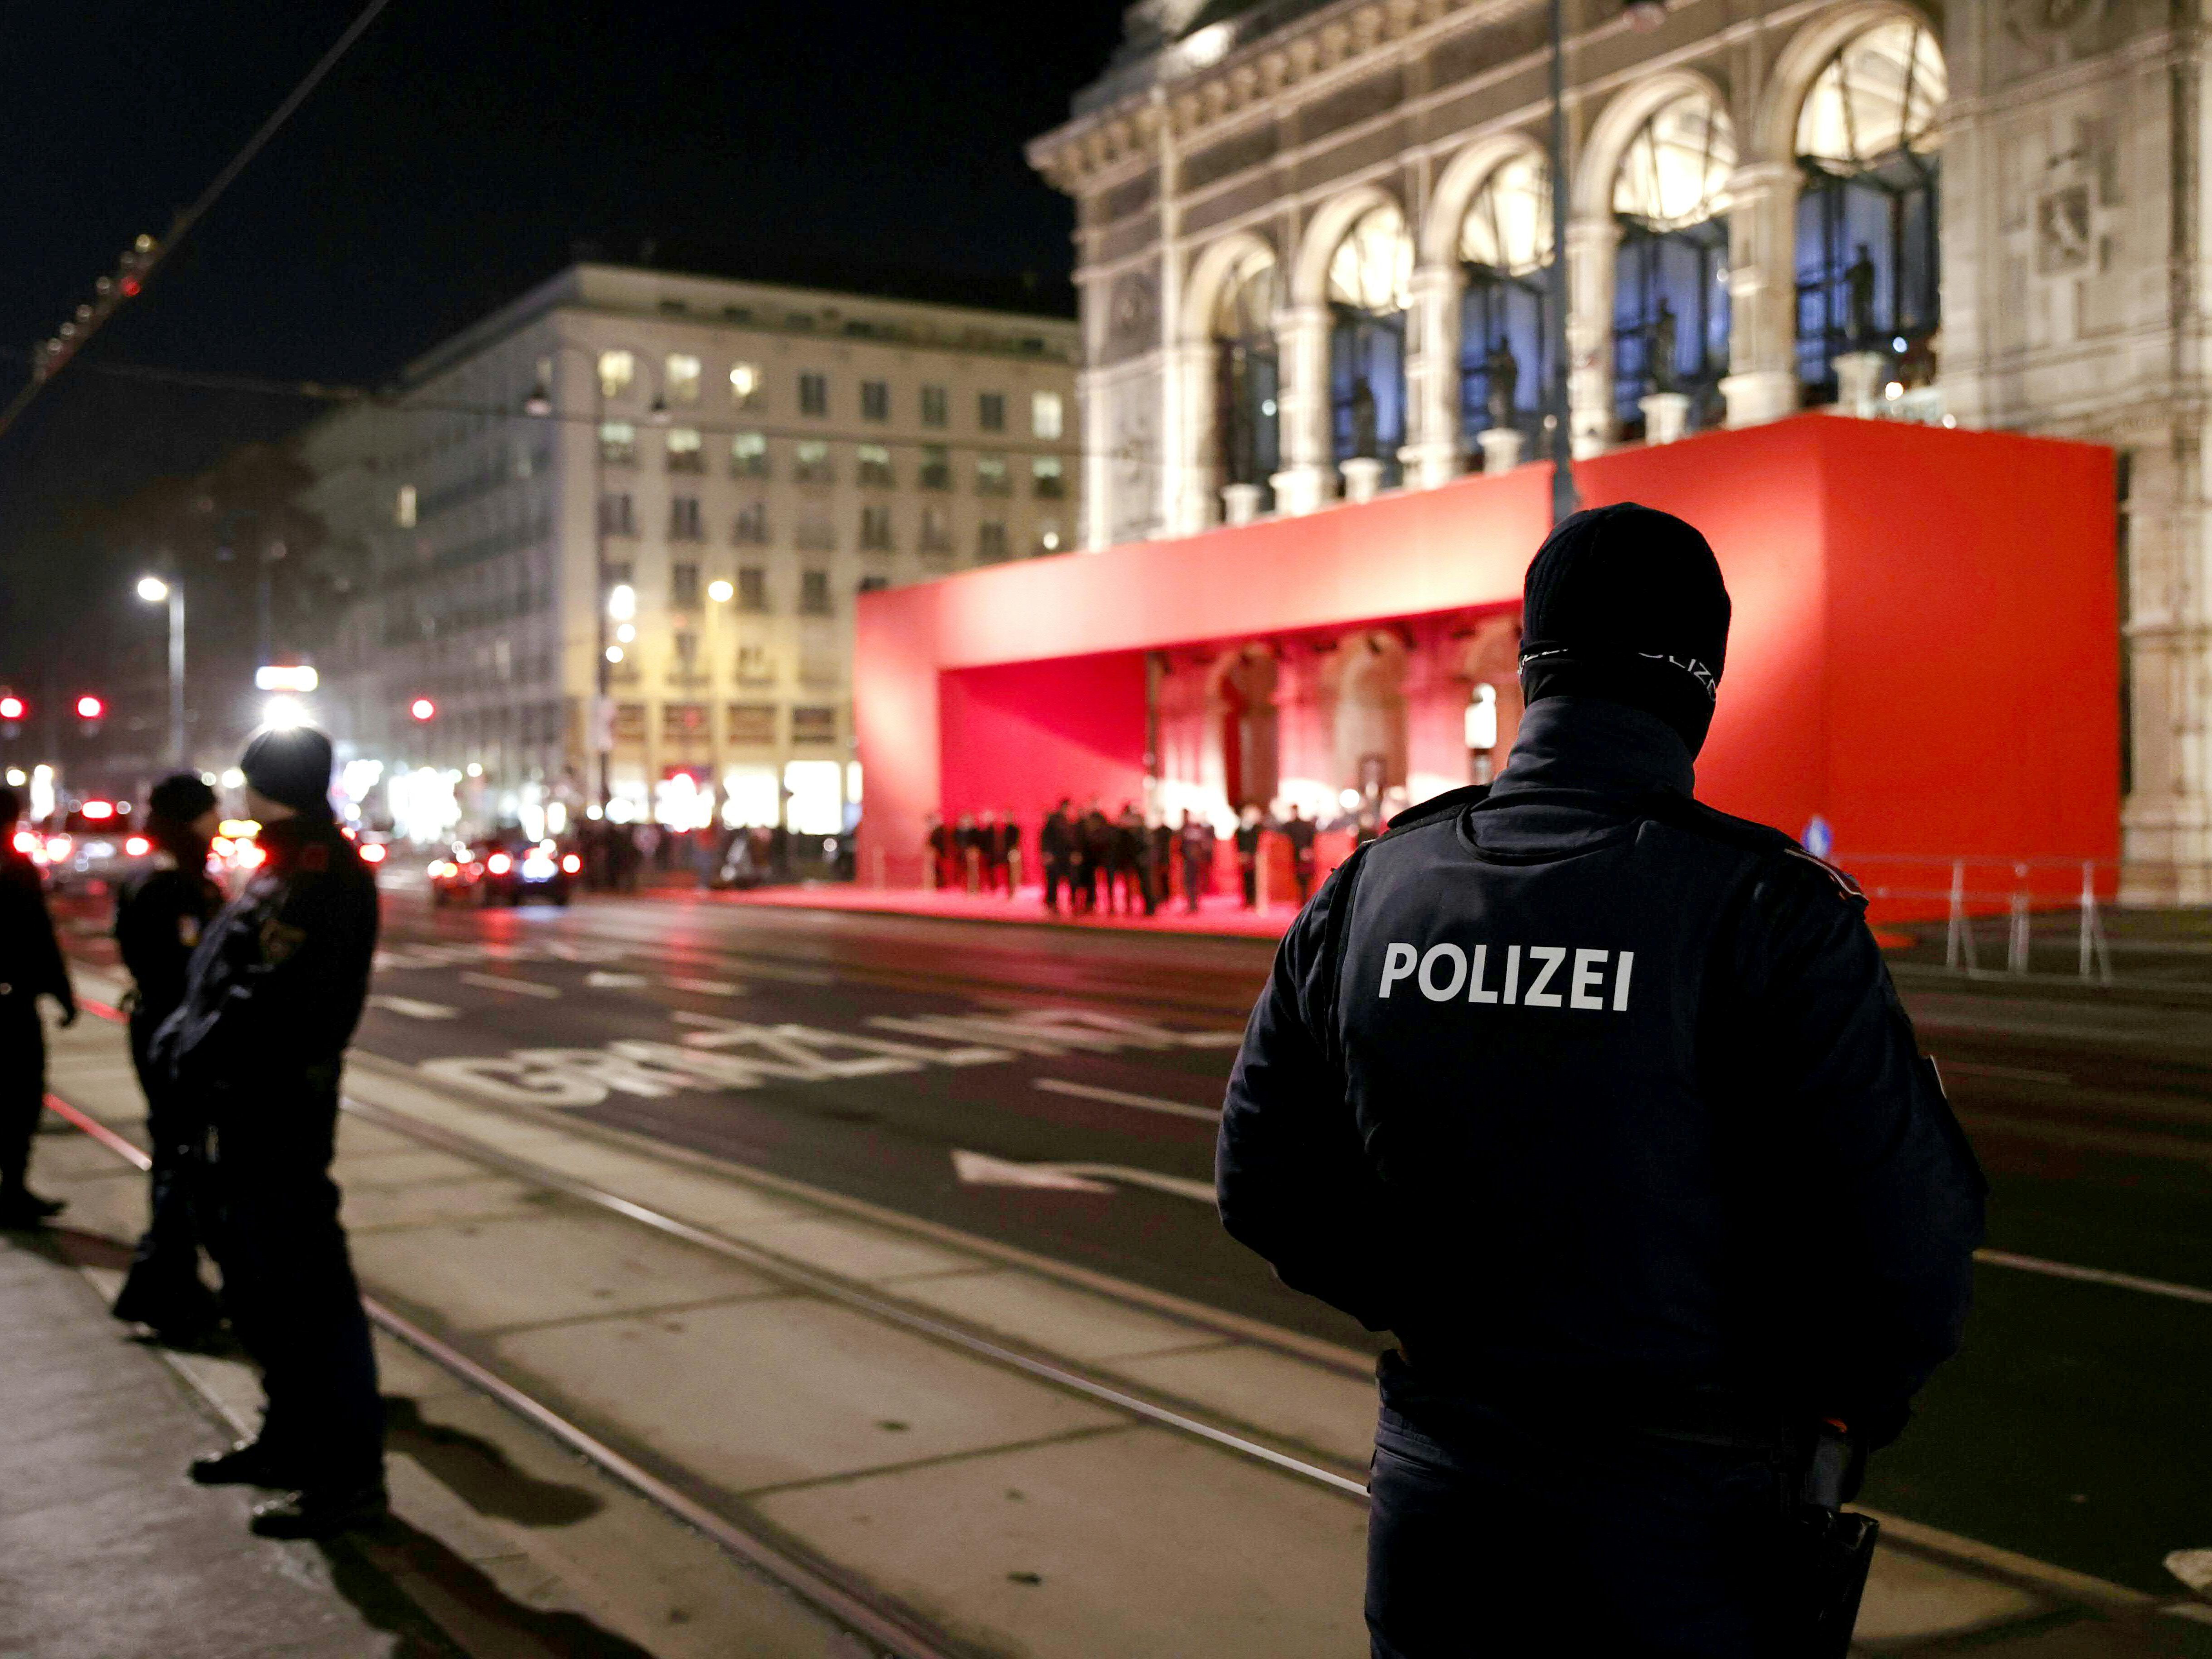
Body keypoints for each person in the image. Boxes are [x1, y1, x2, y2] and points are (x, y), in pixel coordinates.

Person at [1217, 504, 1985, 1658]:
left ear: (1529, 667)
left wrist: (1433, 1309)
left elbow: (1261, 1181)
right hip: (1686, 1521)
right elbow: (1909, 1248)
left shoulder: (1371, 889)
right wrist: (1821, 1410)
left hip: (1443, 1496)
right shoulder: (1764, 912)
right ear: (1704, 684)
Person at [156, 726, 387, 1540]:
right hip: (243, 1112)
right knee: (262, 1291)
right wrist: (187, 1036)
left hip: (277, 1114)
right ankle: (291, 1440)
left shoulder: (319, 875)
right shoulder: (287, 863)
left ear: (266, 784)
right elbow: (228, 976)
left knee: (309, 1298)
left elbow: (277, 997)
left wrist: (193, 1044)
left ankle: (347, 1475)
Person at [109, 774, 226, 1341]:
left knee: (175, 1153)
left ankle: (166, 1282)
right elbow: (188, 965)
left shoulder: (150, 873)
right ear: (190, 818)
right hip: (176, 1029)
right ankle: (165, 1287)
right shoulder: (175, 883)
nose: (218, 821)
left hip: (156, 1023)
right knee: (182, 1157)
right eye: (209, 812)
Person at [0, 784, 75, 1227]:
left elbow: (40, 935)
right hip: (14, 1005)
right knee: (19, 1096)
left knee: (22, 1096)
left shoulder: (21, 870)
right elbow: (39, 936)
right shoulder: (20, 870)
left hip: (16, 1003)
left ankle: (14, 1190)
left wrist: (61, 990)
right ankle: (14, 1190)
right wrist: (61, 991)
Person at [1078, 799, 1113, 915]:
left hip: (1101, 857)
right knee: (1091, 882)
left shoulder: (1099, 824)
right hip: (1093, 858)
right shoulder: (1089, 825)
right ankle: (1092, 902)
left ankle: (1107, 903)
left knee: (1105, 881)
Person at [1041, 799, 1075, 913]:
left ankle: (1055, 901)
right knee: (1053, 879)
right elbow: (1046, 837)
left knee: (1058, 879)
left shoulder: (1066, 820)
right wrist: (1047, 853)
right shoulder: (1054, 820)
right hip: (1055, 855)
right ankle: (1051, 901)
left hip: (1063, 855)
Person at [1176, 811, 1213, 914]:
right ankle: (1191, 904)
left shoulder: (1201, 830)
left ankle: (1194, 905)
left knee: (1195, 883)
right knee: (1188, 884)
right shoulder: (1184, 829)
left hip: (1197, 862)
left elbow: (1206, 846)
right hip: (1188, 861)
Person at [1282, 803, 1318, 905]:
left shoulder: (1290, 826)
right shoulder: (1306, 825)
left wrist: (1306, 851)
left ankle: (1304, 900)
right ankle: (1304, 900)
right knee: (1304, 880)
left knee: (1303, 879)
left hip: (1299, 856)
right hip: (1302, 855)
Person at [1232, 804, 1265, 909]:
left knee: (1255, 880)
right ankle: (1247, 900)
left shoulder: (1258, 828)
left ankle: (1254, 901)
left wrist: (1253, 854)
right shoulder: (1239, 829)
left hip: (1255, 858)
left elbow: (1258, 843)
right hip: (1243, 858)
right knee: (1245, 879)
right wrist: (1241, 854)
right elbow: (1238, 843)